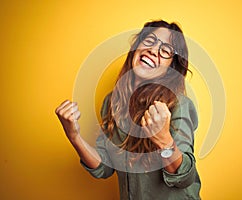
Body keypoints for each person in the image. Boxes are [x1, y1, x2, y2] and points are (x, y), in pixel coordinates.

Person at [55, 20, 201, 200]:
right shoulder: (112, 102)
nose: (153, 50)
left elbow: (184, 178)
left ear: (171, 67)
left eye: (165, 50)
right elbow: (104, 167)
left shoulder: (178, 105)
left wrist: (164, 140)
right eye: (149, 41)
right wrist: (74, 136)